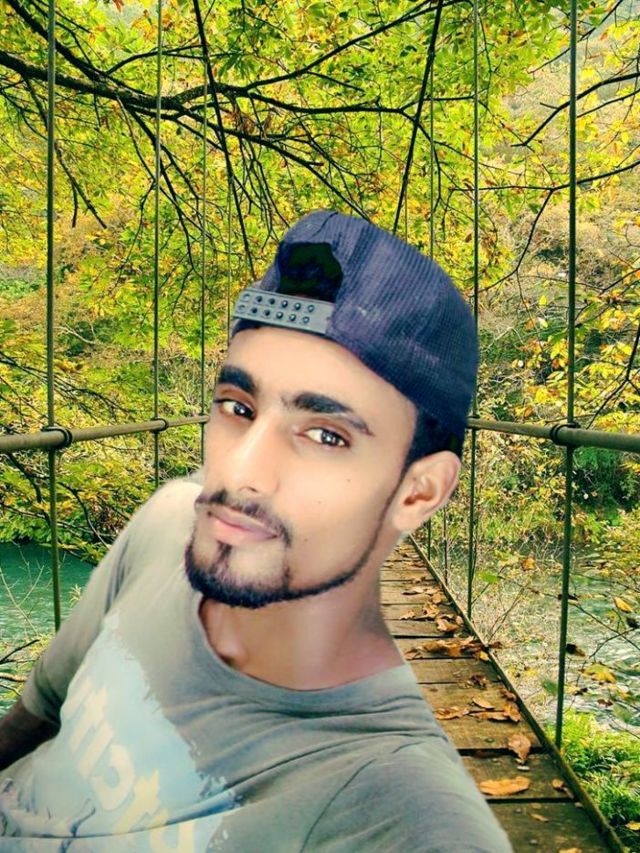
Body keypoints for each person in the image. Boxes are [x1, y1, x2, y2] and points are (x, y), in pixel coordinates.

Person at [0, 211, 511, 851]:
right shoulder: (167, 520)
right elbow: (42, 708)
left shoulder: (394, 804)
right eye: (237, 408)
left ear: (418, 492)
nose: (241, 471)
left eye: (326, 435)